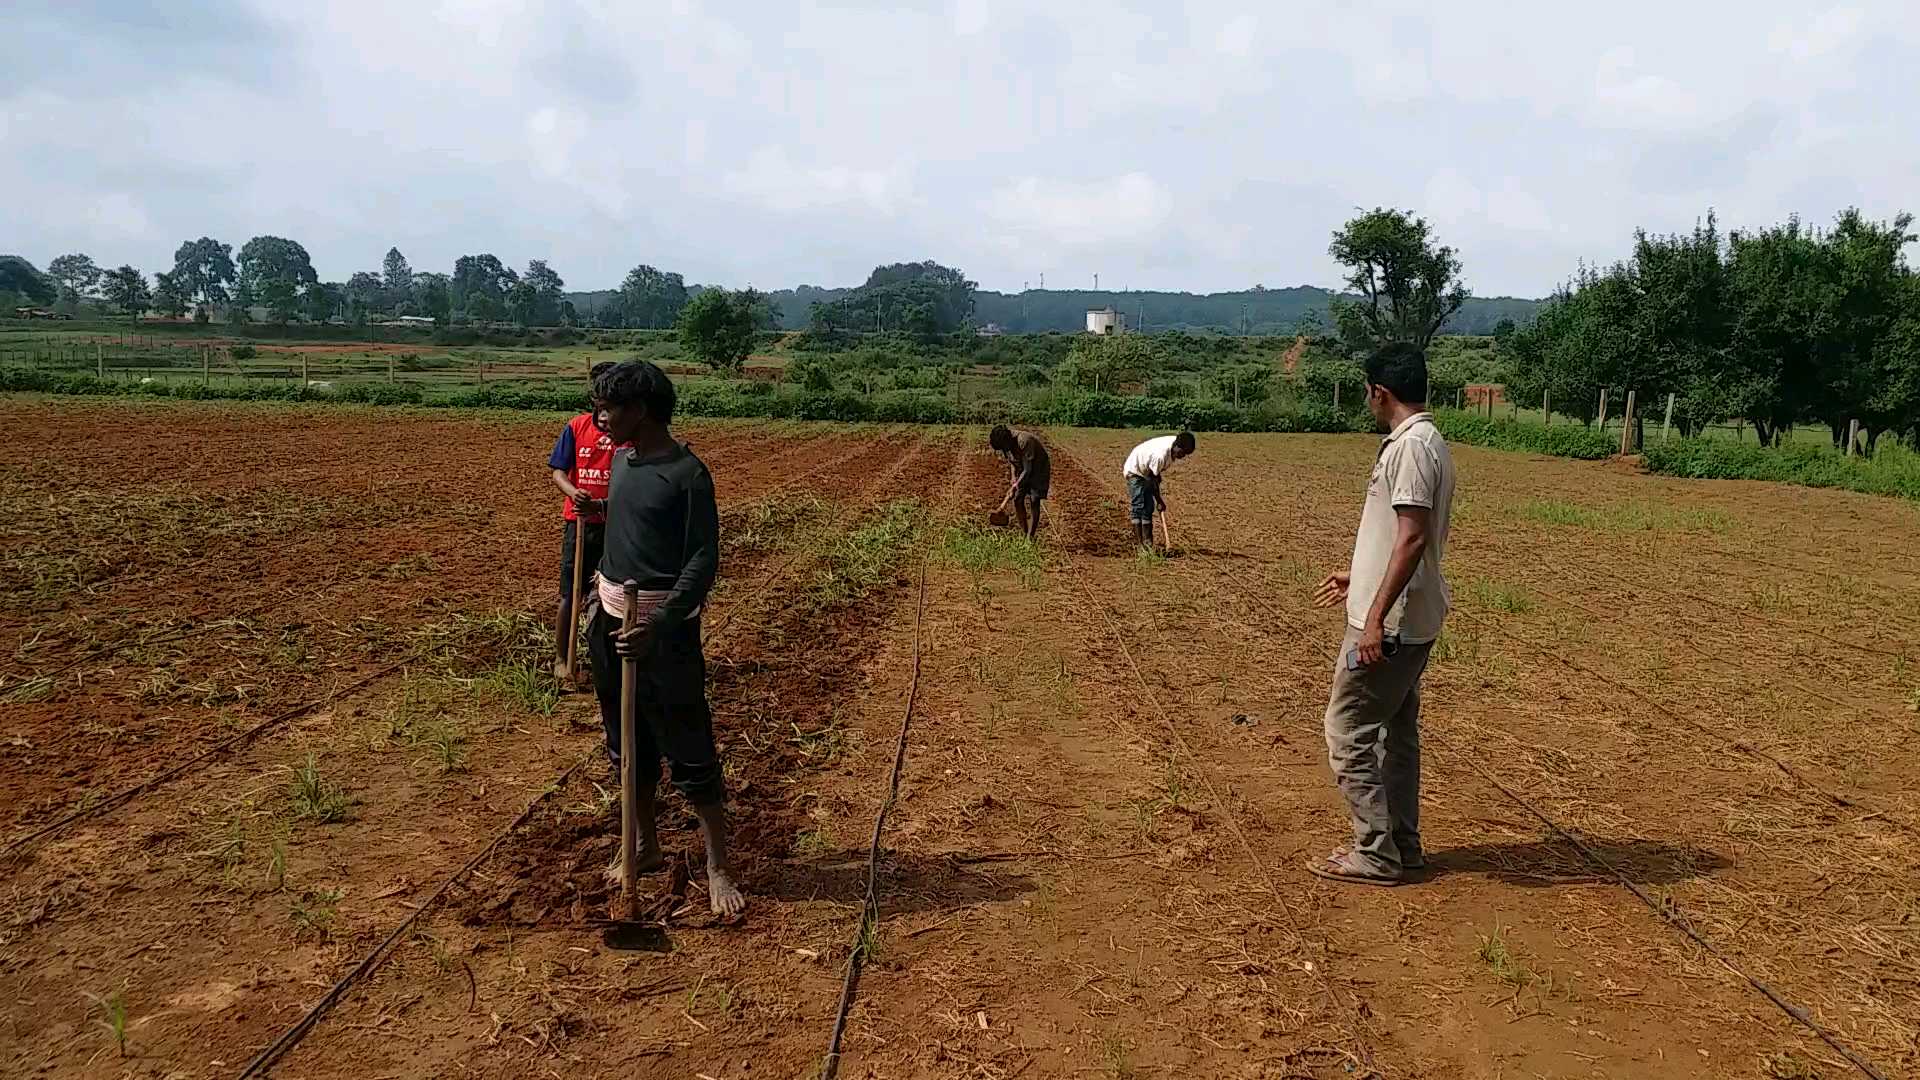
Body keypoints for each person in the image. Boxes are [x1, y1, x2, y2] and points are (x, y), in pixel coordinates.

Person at [585, 359, 745, 917]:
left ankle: (716, 864)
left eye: (610, 407)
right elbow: (626, 532)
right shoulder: (622, 462)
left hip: (663, 634)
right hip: (610, 624)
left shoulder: (688, 474)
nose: (600, 417)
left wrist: (658, 624)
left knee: (688, 743)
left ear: (643, 410)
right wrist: (598, 592)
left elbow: (703, 560)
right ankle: (645, 845)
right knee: (626, 744)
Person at [1309, 342, 1455, 886]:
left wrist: (1373, 618)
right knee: (1398, 732)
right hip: (1406, 616)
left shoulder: (1412, 448)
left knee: (1346, 731)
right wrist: (1361, 576)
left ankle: (1375, 852)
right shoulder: (1424, 442)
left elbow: (1413, 537)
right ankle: (1404, 845)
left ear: (1379, 391)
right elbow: (1401, 538)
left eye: (1367, 391)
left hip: (1390, 627)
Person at [547, 361, 618, 682]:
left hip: (618, 525)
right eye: (600, 403)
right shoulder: (576, 428)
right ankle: (563, 659)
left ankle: (608, 659)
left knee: (614, 593)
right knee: (570, 593)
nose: (605, 413)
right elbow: (558, 472)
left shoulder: (627, 432)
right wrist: (574, 493)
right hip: (580, 524)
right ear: (593, 400)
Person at [1121, 431, 1196, 550]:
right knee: (1139, 505)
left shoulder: (1175, 445)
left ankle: (1148, 543)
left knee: (1148, 507)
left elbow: (1155, 475)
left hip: (1147, 470)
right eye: (1183, 453)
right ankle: (1139, 545)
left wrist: (1157, 491)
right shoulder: (1160, 455)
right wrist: (1159, 501)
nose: (1183, 457)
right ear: (1177, 446)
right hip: (1135, 470)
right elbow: (1152, 479)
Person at [989, 424, 1050, 540]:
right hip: (1022, 467)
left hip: (1038, 468)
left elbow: (1028, 470)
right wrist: (1013, 479)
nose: (1004, 450)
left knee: (1034, 499)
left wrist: (1015, 485)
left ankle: (1030, 537)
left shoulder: (1024, 441)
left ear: (1008, 440)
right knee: (1017, 499)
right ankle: (1024, 532)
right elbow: (1013, 462)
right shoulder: (1005, 445)